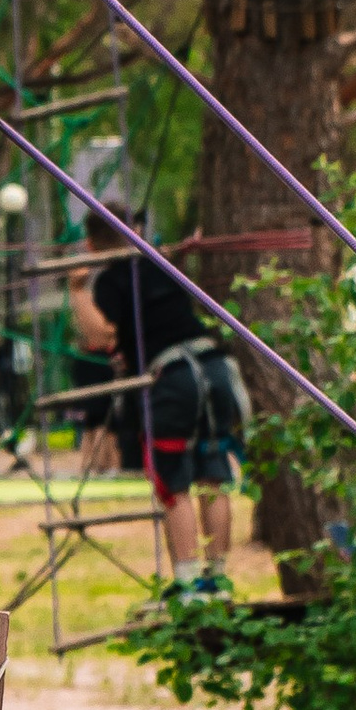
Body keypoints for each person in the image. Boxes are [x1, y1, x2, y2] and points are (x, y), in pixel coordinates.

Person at [68, 216, 249, 571]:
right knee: (212, 474)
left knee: (173, 482)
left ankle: (188, 584)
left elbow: (102, 336)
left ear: (91, 246)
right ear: (135, 232)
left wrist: (77, 292)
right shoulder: (161, 262)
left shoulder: (112, 278)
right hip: (213, 365)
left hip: (173, 375)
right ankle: (218, 578)